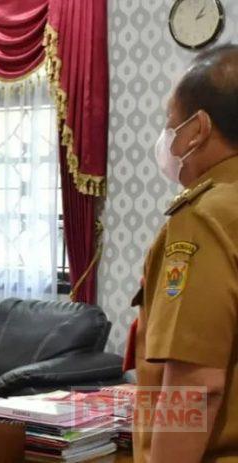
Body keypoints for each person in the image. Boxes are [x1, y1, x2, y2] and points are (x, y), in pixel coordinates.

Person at [132, 44, 238, 462]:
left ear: (197, 129)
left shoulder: (205, 218)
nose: (166, 136)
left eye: (170, 122)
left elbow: (196, 387)